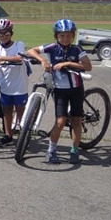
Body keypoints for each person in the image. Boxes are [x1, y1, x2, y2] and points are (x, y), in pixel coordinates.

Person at [26, 19, 92, 164]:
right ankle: (51, 150)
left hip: (76, 89)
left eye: (68, 35)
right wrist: (43, 60)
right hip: (60, 90)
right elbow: (31, 51)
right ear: (56, 36)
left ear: (73, 35)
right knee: (60, 121)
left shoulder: (77, 49)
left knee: (76, 120)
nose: (65, 38)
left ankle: (74, 150)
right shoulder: (52, 47)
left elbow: (88, 66)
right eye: (62, 36)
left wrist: (68, 63)